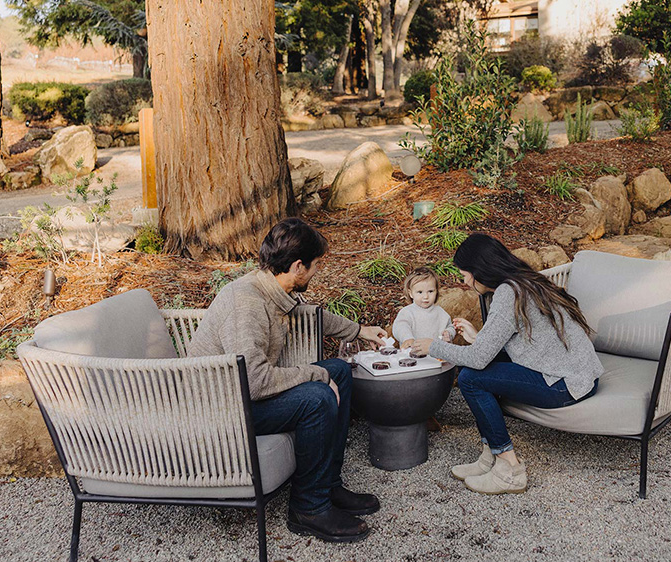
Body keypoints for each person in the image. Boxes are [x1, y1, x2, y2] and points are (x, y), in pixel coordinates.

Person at [188, 218, 387, 543]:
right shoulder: (247, 303)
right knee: (317, 397)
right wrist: (316, 375)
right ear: (298, 266)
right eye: (315, 266)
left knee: (339, 370)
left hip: (242, 397)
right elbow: (253, 381)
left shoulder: (271, 286)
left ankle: (328, 485)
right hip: (223, 410)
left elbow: (307, 314)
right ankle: (308, 508)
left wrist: (359, 331)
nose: (316, 272)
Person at [410, 234, 602, 495]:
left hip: (565, 384)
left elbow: (478, 359)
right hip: (573, 372)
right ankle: (489, 456)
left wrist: (432, 346)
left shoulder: (507, 293)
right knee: (474, 370)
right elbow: (510, 341)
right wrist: (478, 339)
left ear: (481, 270)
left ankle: (509, 468)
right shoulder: (522, 280)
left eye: (466, 274)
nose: (465, 281)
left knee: (470, 378)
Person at [392, 267, 456, 349]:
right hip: (412, 355)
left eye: (430, 291)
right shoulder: (407, 312)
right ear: (411, 293)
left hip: (435, 356)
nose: (425, 296)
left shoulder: (440, 312)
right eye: (420, 292)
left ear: (436, 291)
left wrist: (448, 333)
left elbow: (450, 326)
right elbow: (400, 326)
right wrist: (407, 338)